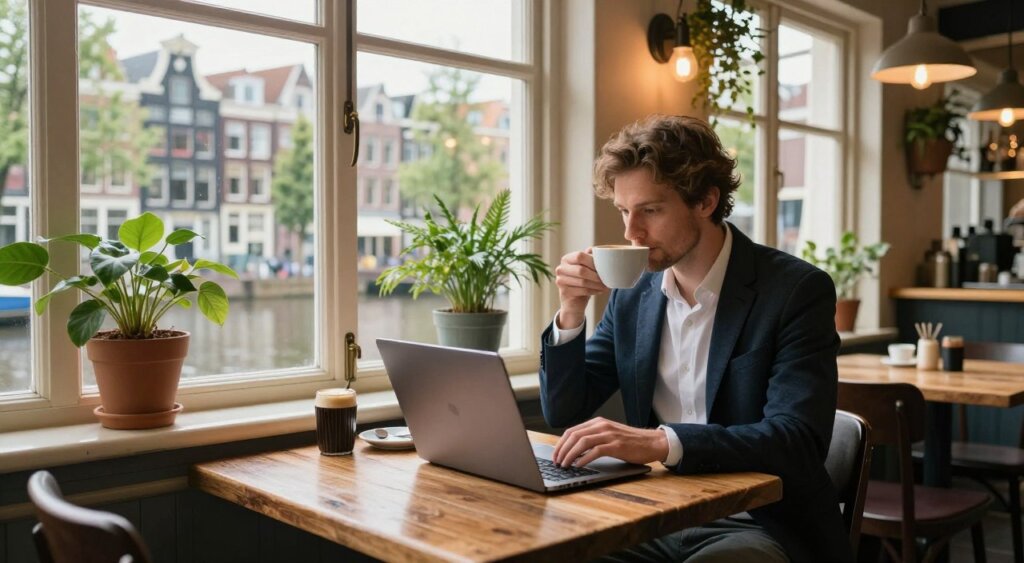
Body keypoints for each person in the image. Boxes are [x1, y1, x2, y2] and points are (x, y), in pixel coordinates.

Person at [539, 115, 851, 562]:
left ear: (705, 201)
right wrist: (571, 309)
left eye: (650, 210)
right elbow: (563, 409)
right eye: (624, 211)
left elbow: (797, 439)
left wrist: (662, 443)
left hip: (760, 520)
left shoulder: (795, 291)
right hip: (654, 512)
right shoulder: (634, 297)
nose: (631, 233)